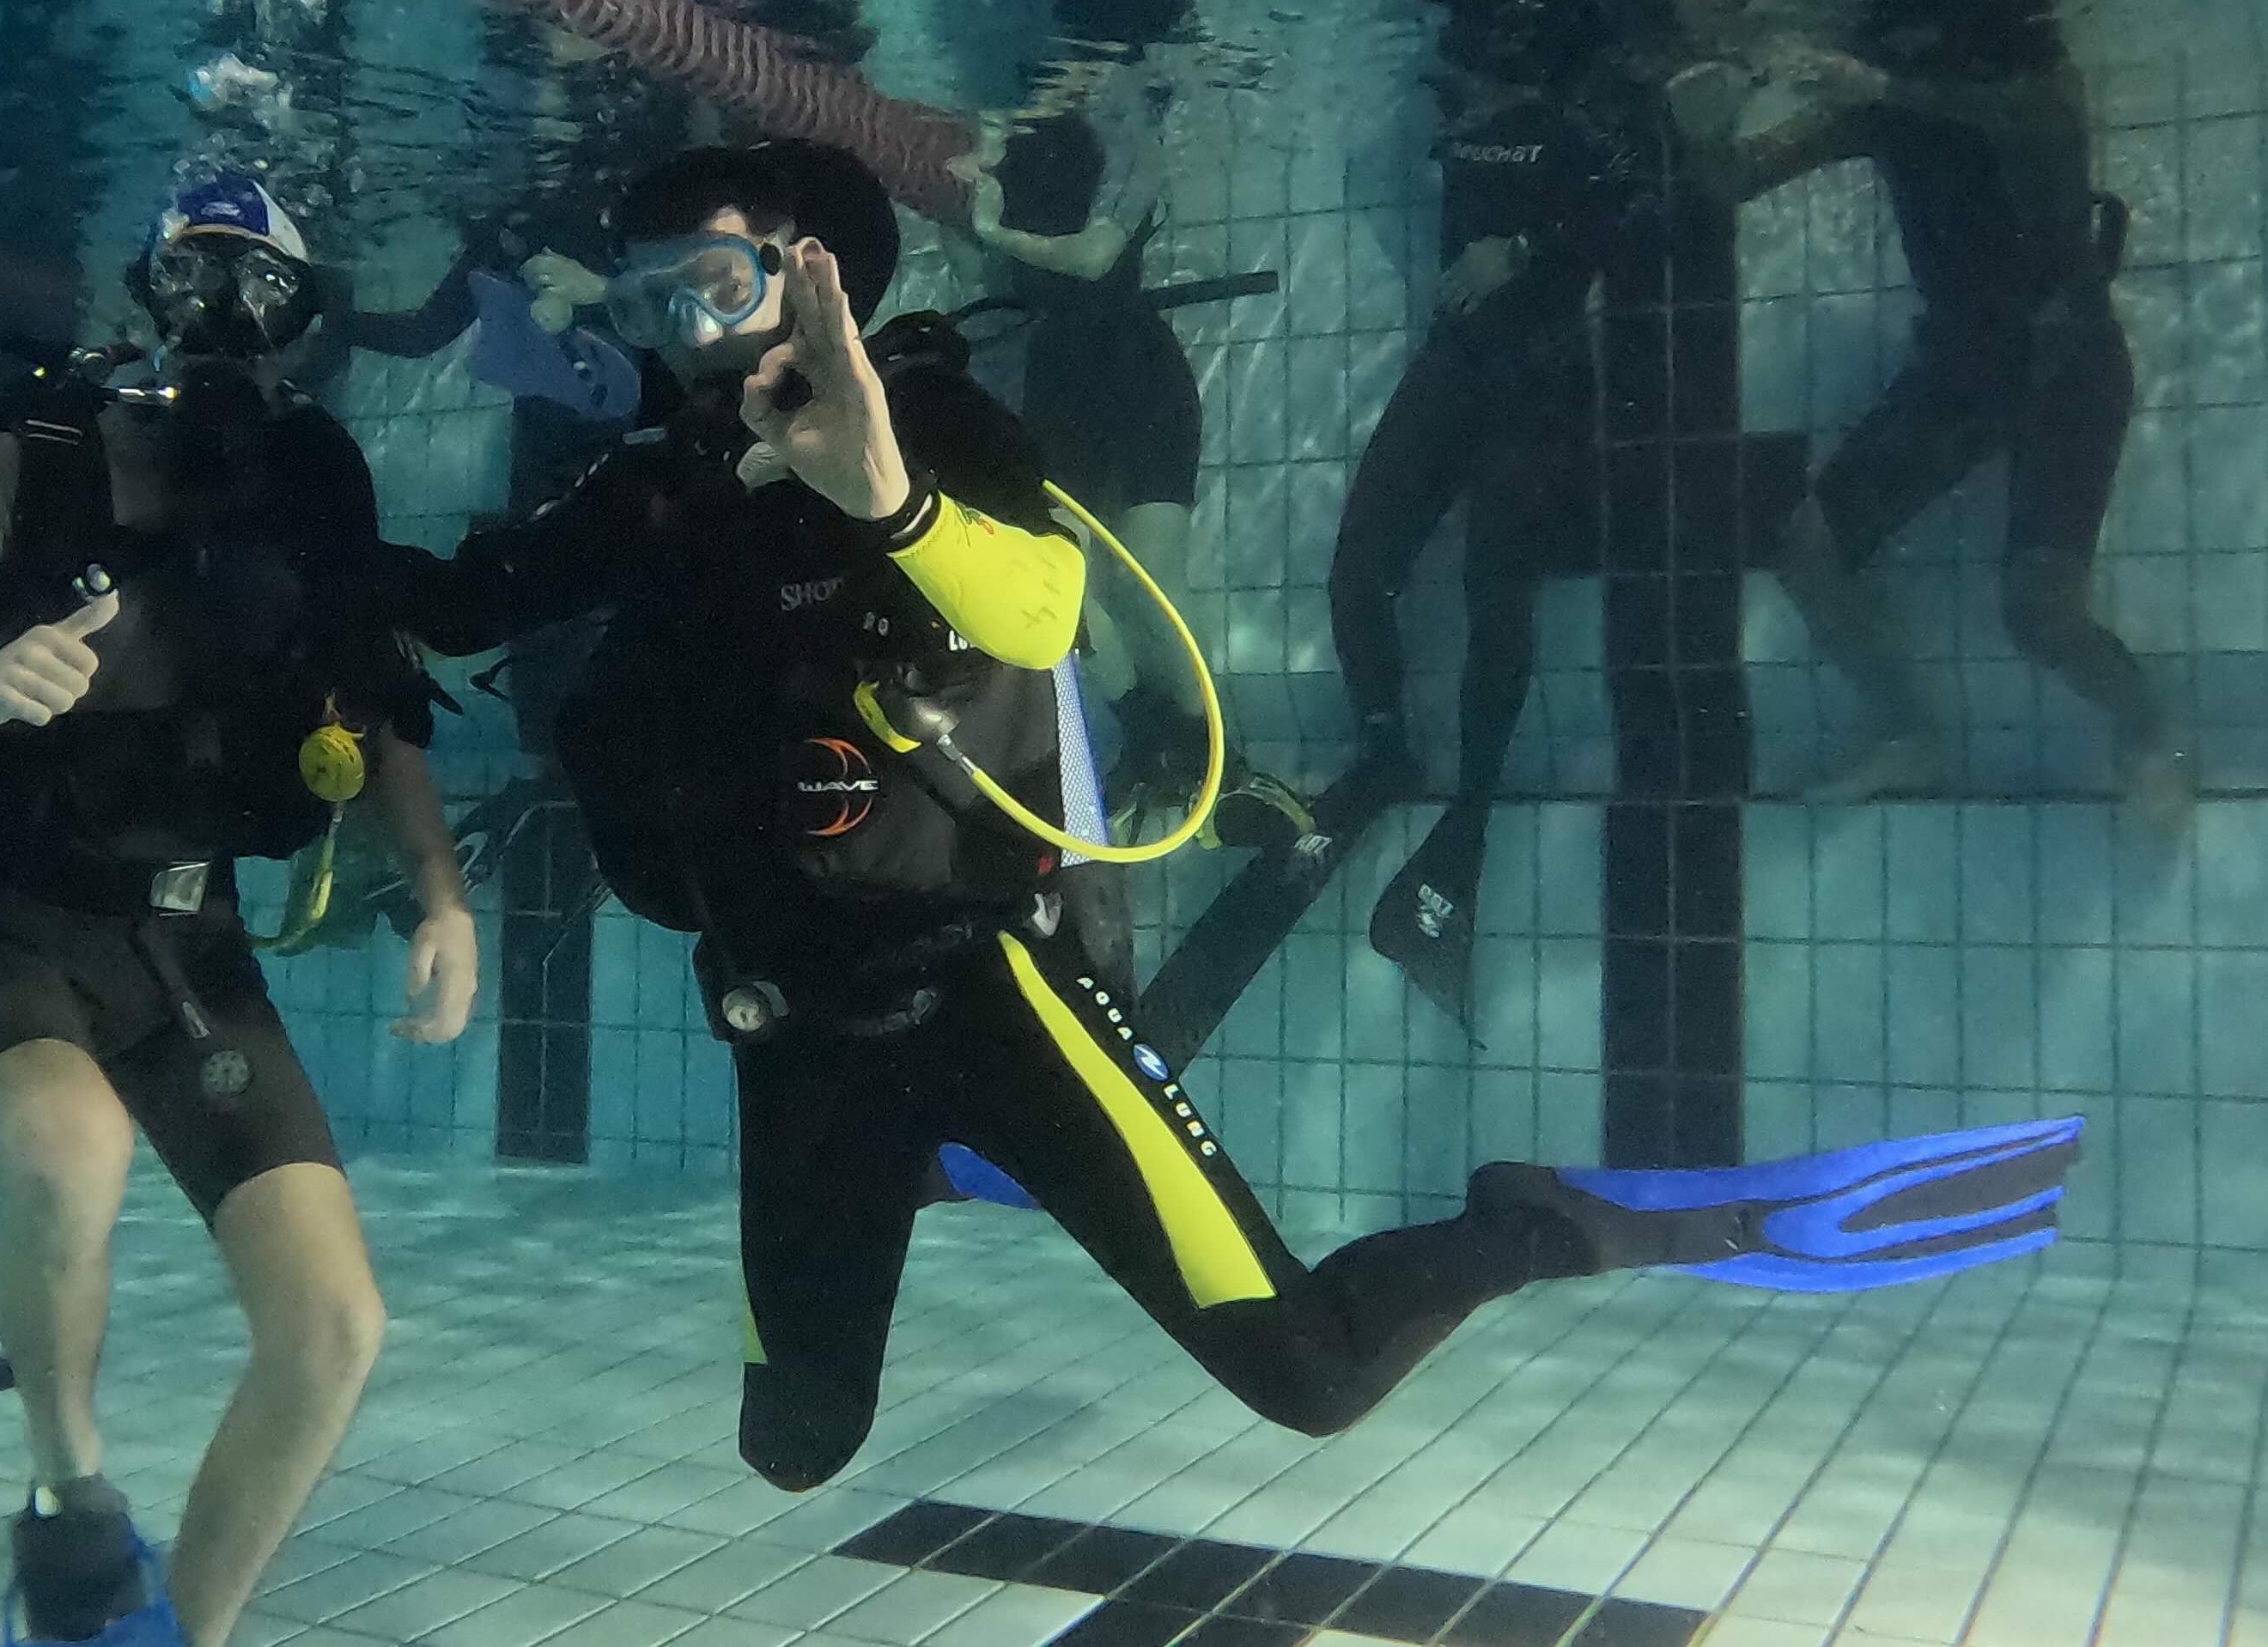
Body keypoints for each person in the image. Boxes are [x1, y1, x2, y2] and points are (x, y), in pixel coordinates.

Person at [383, 137, 2084, 1489]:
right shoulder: (663, 489)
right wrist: (272, 549)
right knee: (796, 1446)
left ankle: (1532, 1222)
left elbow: (1045, 608)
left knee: (1314, 1378)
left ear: (811, 273)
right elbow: (459, 607)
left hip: (987, 985)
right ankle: (926, 1161)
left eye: (719, 284)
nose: (690, 333)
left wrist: (887, 498)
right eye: (654, 302)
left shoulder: (931, 418)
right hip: (792, 1023)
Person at [0, 172, 477, 1647]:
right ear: (148, 296)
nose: (224, 317)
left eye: (262, 290)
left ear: (301, 323)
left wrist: (443, 895)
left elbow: (375, 707)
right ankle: (70, 1502)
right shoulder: (34, 461)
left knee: (333, 1329)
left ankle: (177, 1634)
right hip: (5, 925)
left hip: (190, 946)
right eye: (194, 278)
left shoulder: (311, 486)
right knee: (70, 1146)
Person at [1675, 0, 2184, 822]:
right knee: (1805, 549)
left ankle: (2147, 736)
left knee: (2038, 613)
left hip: (2066, 362)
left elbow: (2037, 122)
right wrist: (1702, 126)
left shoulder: (2031, 69)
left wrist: (1880, 87)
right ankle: (1906, 732)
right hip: (1964, 369)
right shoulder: (1878, 105)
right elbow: (1733, 178)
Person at [1330, 0, 1668, 1024]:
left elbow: (1639, 206)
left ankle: (1466, 824)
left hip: (1543, 374)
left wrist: (1519, 252)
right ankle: (1386, 743)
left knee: (1495, 591)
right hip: (1457, 362)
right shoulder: (1451, 84)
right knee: (1359, 564)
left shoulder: (1582, 102)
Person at [949, 90, 1313, 851]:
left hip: (1137, 374)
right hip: (1057, 381)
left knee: (1153, 584)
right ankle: (1151, 743)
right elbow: (988, 267)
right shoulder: (1004, 133)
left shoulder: (1130, 135)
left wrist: (991, 227)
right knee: (1070, 582)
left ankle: (1219, 762)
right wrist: (969, 197)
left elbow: (1094, 257)